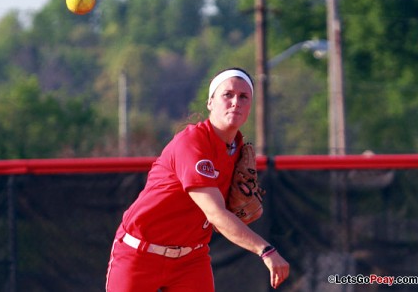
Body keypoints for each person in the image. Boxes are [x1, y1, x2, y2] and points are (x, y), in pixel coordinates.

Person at [105, 67, 289, 291]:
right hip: (140, 253)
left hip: (190, 258)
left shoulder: (238, 151)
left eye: (243, 97)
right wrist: (265, 249)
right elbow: (215, 213)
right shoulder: (193, 142)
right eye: (227, 94)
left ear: (250, 106)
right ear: (210, 102)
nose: (235, 102)